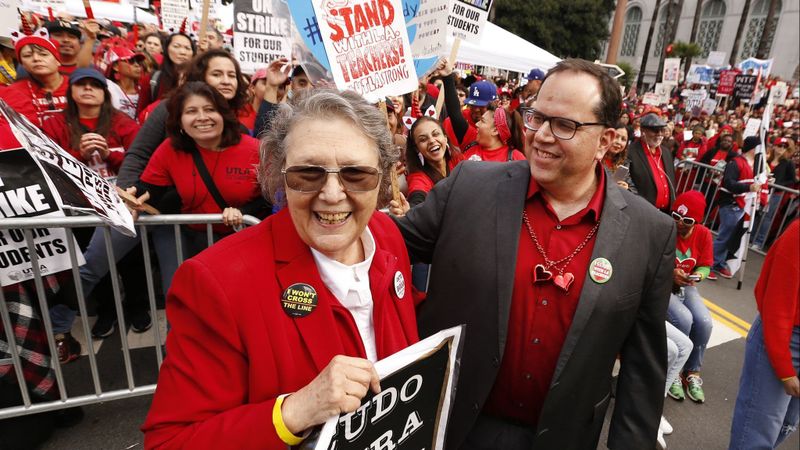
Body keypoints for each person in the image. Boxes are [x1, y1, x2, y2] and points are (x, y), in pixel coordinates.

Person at [391, 58, 675, 449]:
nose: (541, 135)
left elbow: (642, 374)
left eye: (564, 125)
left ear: (606, 141)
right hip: (451, 426)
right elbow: (385, 246)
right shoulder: (469, 187)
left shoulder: (650, 232)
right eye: (536, 117)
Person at [142, 89, 418, 448]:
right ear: (279, 173)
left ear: (383, 178)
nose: (332, 193)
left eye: (356, 174)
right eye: (307, 173)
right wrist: (293, 413)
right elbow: (170, 442)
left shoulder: (386, 236)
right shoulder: (216, 281)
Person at [133, 81, 268, 267]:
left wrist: (242, 213)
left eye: (210, 109)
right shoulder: (171, 149)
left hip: (244, 241)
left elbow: (272, 198)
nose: (202, 117)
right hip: (193, 243)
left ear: (223, 114)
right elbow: (150, 189)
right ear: (179, 120)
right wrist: (136, 197)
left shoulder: (255, 150)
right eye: (191, 112)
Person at [729, 219, 799, 449]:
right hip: (785, 338)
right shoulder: (797, 234)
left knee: (786, 424)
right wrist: (785, 369)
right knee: (756, 433)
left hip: (787, 337)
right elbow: (776, 305)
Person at [665, 191, 714, 404]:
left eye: (687, 220)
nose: (679, 223)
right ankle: (674, 370)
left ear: (698, 221)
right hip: (663, 284)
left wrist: (699, 275)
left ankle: (692, 373)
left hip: (687, 285)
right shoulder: (665, 226)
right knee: (684, 318)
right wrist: (671, 273)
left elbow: (705, 265)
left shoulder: (703, 234)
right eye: (676, 216)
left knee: (704, 321)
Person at [710, 136, 763, 279]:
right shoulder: (735, 163)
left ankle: (719, 262)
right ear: (753, 148)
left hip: (743, 206)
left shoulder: (756, 165)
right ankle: (710, 263)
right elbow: (728, 183)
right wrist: (749, 187)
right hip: (731, 203)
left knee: (732, 237)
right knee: (725, 236)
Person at [0, 29, 68, 127]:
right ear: (22, 64)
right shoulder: (13, 92)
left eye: (43, 54)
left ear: (58, 60)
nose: (36, 59)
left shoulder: (77, 85)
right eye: (27, 56)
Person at [405, 116, 464, 207]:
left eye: (436, 134)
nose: (432, 141)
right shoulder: (418, 177)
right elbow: (417, 199)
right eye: (423, 139)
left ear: (445, 137)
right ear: (417, 148)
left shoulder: (458, 159)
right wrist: (410, 210)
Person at [753, 137, 798, 249]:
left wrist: (778, 183)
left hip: (775, 194)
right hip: (762, 191)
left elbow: (793, 180)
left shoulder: (788, 163)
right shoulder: (767, 160)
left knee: (767, 217)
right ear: (775, 146)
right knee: (757, 214)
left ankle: (759, 242)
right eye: (780, 146)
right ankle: (751, 237)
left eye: (784, 147)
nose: (782, 148)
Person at [628, 112, 677, 213]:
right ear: (643, 131)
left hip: (665, 213)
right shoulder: (630, 152)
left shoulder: (666, 152)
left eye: (662, 130)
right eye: (655, 130)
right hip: (641, 212)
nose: (659, 134)